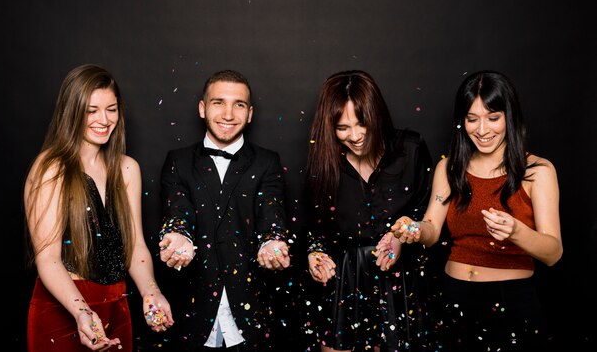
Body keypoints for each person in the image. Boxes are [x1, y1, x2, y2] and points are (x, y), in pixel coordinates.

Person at [392, 70, 563, 351]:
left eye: (493, 118)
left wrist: (517, 231)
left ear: (509, 117)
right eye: (472, 119)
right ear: (461, 122)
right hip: (454, 298)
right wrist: (413, 229)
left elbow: (553, 253)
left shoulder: (537, 171)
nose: (482, 130)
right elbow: (432, 230)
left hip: (512, 303)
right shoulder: (449, 169)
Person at [24, 64, 174, 352]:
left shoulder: (127, 168)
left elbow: (135, 248)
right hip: (64, 308)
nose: (104, 120)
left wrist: (150, 293)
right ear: (72, 111)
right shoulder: (51, 168)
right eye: (91, 111)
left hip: (117, 306)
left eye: (111, 109)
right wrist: (81, 311)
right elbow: (48, 259)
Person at [158, 69, 291, 351]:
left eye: (238, 104)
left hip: (250, 314)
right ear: (202, 108)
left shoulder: (267, 162)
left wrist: (272, 243)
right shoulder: (178, 161)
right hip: (194, 312)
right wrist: (178, 236)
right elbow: (177, 210)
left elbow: (272, 214)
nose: (228, 114)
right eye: (219, 102)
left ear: (250, 113)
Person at [304, 70, 435, 352]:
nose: (356, 136)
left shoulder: (411, 149)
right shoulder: (323, 162)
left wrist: (400, 237)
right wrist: (315, 254)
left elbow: (430, 217)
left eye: (362, 123)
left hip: (400, 281)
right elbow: (315, 229)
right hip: (344, 282)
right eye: (342, 128)